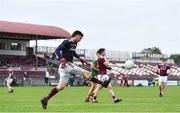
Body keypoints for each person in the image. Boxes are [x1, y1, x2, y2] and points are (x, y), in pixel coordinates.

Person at [40, 30, 111, 109]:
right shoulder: (67, 41)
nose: (80, 40)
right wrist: (61, 58)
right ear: (76, 35)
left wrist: (79, 58)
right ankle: (103, 83)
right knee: (86, 73)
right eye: (80, 38)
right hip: (67, 64)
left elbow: (73, 53)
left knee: (61, 86)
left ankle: (46, 99)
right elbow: (57, 50)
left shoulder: (75, 43)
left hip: (65, 67)